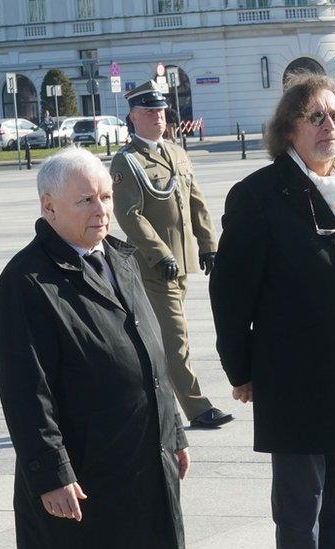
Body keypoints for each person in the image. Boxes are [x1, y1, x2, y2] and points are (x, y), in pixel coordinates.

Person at [209, 73, 335, 549]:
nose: (329, 124)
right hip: (294, 376)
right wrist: (241, 369)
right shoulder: (258, 195)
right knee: (299, 515)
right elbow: (229, 294)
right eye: (316, 116)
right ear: (290, 129)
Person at [0, 147, 189, 548]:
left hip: (145, 464)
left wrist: (174, 434)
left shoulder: (120, 258)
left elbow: (149, 358)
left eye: (106, 197)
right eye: (85, 200)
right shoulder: (26, 284)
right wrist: (51, 476)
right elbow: (26, 394)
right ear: (49, 207)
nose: (101, 209)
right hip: (83, 482)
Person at [109, 80, 233, 429]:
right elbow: (130, 215)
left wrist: (209, 245)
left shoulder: (176, 152)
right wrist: (160, 254)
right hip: (153, 267)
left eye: (161, 110)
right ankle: (196, 407)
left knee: (160, 340)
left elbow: (196, 201)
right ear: (133, 117)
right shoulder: (127, 161)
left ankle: (140, 404)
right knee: (175, 337)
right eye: (149, 111)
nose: (158, 116)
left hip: (180, 264)